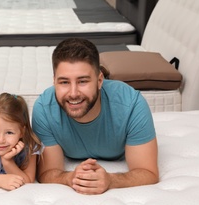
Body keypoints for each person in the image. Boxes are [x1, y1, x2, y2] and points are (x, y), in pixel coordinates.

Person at [32, 38, 159, 195]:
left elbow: (148, 172)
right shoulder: (44, 109)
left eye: (82, 81)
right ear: (54, 82)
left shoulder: (132, 104)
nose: (73, 93)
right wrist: (71, 178)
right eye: (64, 82)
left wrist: (111, 180)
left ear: (99, 80)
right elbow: (47, 172)